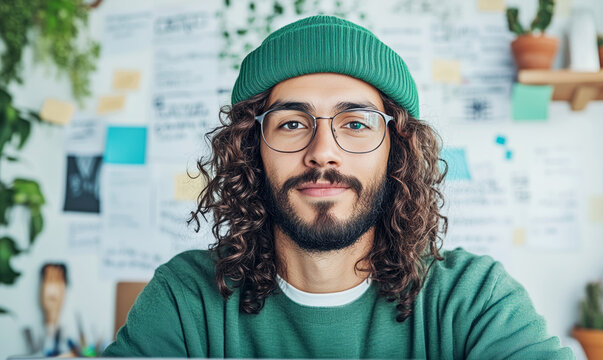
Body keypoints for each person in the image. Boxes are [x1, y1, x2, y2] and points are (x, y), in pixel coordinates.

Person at [103, 15, 573, 359]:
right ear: (251, 151)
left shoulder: (472, 301)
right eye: (291, 123)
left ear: (397, 150)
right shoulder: (187, 300)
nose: (323, 152)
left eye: (356, 123)